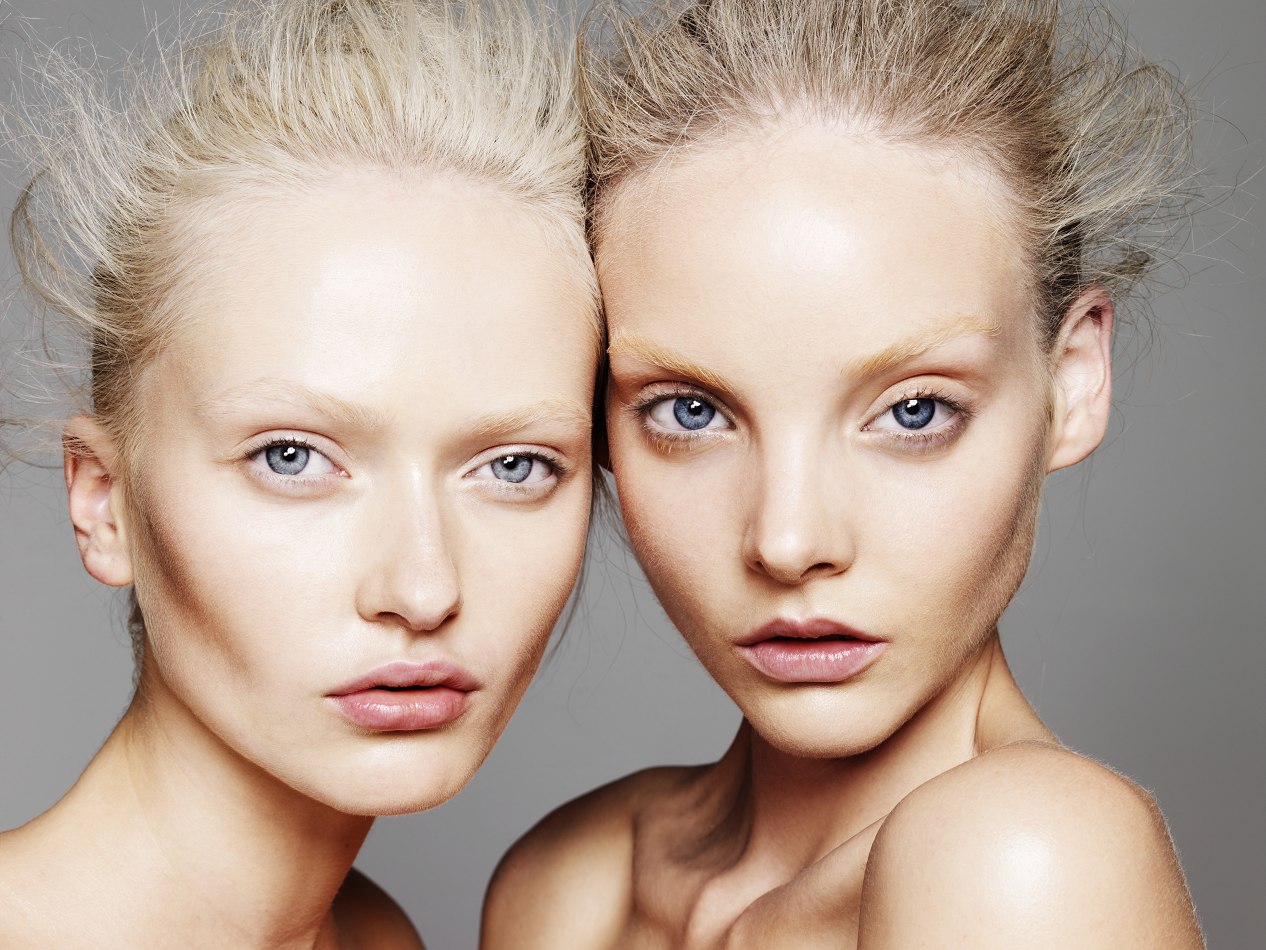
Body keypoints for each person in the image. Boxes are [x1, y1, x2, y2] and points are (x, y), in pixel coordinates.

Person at [483, 0, 1208, 946]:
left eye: (914, 412)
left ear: (1071, 382)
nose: (789, 542)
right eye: (691, 412)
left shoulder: (1028, 860)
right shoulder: (566, 886)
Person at [0, 0, 597, 946]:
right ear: (103, 502)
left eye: (514, 466)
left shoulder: (375, 936)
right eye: (292, 458)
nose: (423, 589)